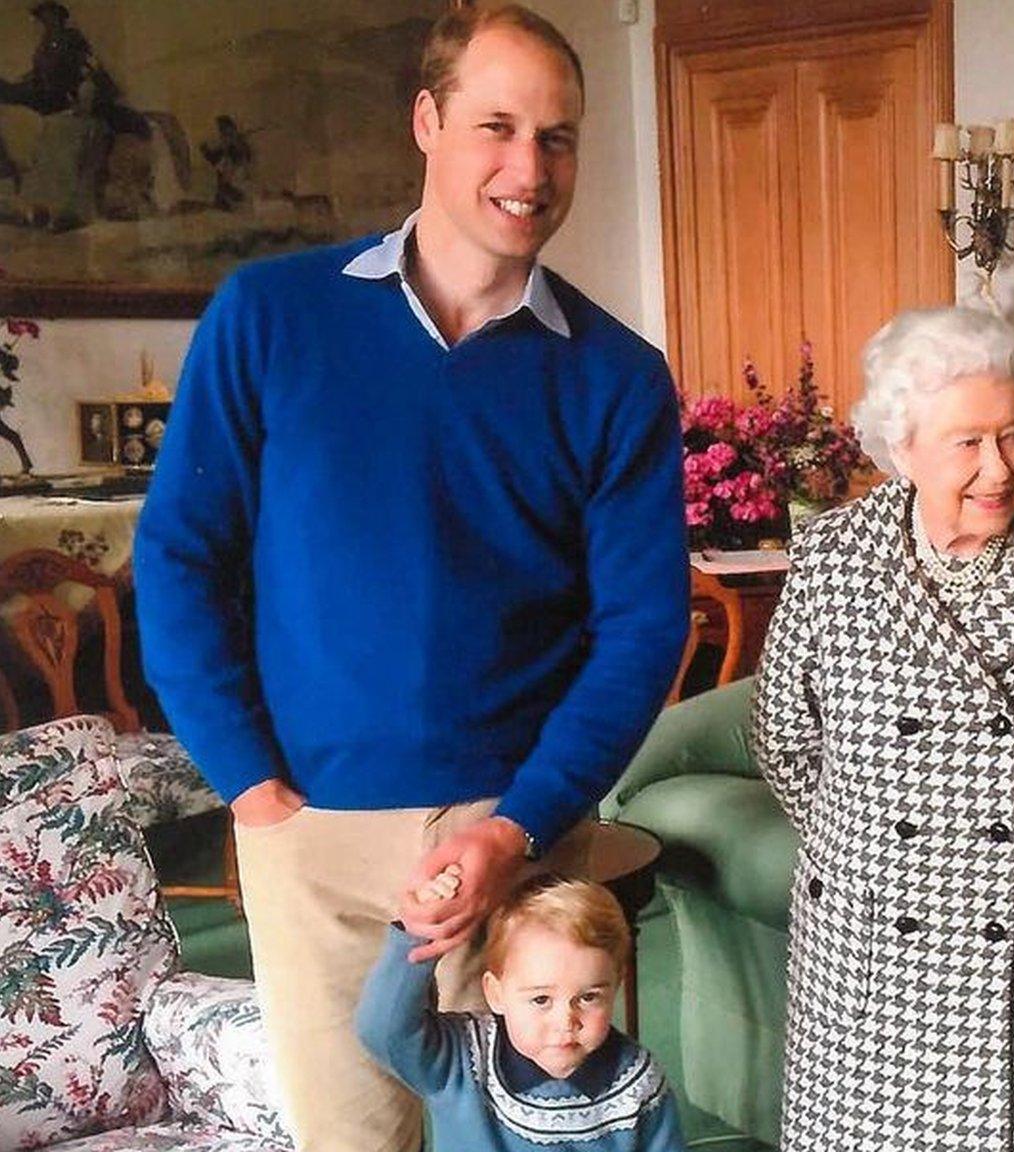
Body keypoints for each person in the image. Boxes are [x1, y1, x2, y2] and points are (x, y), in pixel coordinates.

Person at [132, 6, 691, 1151]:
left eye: (557, 137)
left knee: (537, 1137)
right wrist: (247, 783)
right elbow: (180, 557)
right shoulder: (271, 315)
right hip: (309, 830)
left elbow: (640, 629)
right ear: (427, 123)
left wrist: (519, 827)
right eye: (497, 126)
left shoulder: (617, 376)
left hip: (517, 830)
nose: (527, 169)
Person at [751, 306, 1014, 1152]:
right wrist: (881, 855)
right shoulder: (833, 558)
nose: (998, 470)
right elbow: (786, 741)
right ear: (900, 448)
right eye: (966, 443)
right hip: (873, 949)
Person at [356, 872, 686, 1151]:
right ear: (495, 994)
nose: (565, 1022)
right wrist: (422, 935)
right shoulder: (461, 1059)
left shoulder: (636, 1082)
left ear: (616, 986)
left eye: (588, 997)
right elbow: (383, 1030)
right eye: (541, 1000)